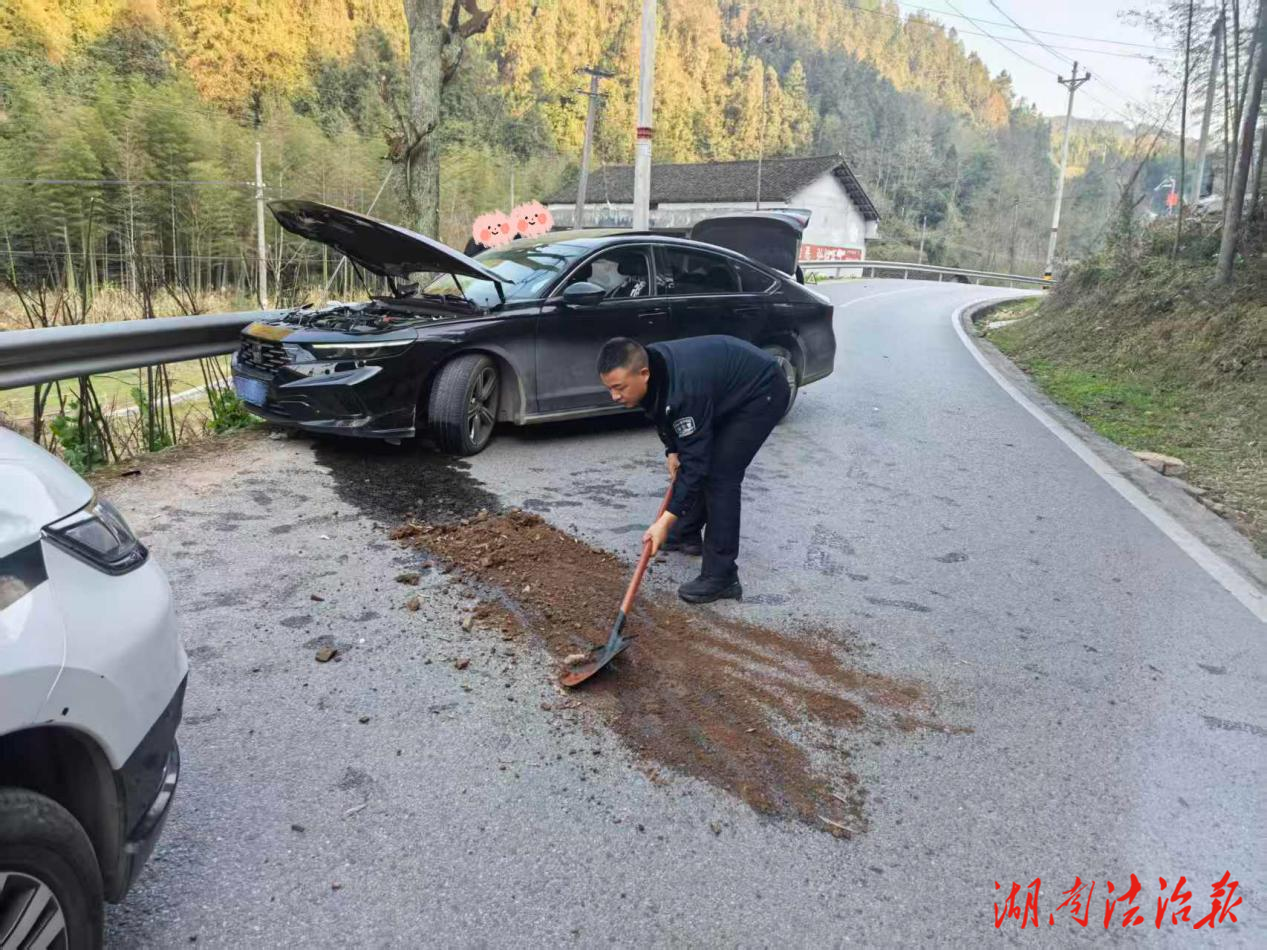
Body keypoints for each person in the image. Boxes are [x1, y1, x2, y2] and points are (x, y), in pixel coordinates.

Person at [596, 336, 790, 604]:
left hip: (761, 391)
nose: (614, 396)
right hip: (724, 390)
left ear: (643, 373)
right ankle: (687, 533)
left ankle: (722, 577)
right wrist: (672, 450)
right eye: (609, 388)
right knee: (696, 461)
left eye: (619, 388)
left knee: (721, 476)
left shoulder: (685, 390)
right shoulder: (653, 371)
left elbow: (697, 463)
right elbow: (663, 413)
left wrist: (665, 520)